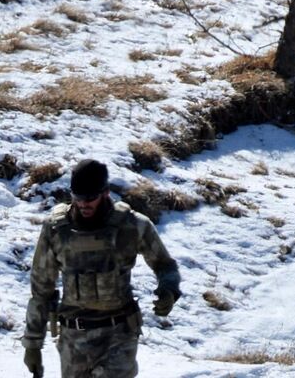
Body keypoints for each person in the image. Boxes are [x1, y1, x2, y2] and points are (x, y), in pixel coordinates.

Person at [22, 159, 181, 378]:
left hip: (119, 335)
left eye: (90, 198)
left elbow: (165, 265)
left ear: (105, 193)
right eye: (77, 198)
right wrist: (32, 344)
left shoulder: (133, 225)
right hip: (74, 339)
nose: (83, 204)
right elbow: (41, 289)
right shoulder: (56, 230)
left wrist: (169, 290)